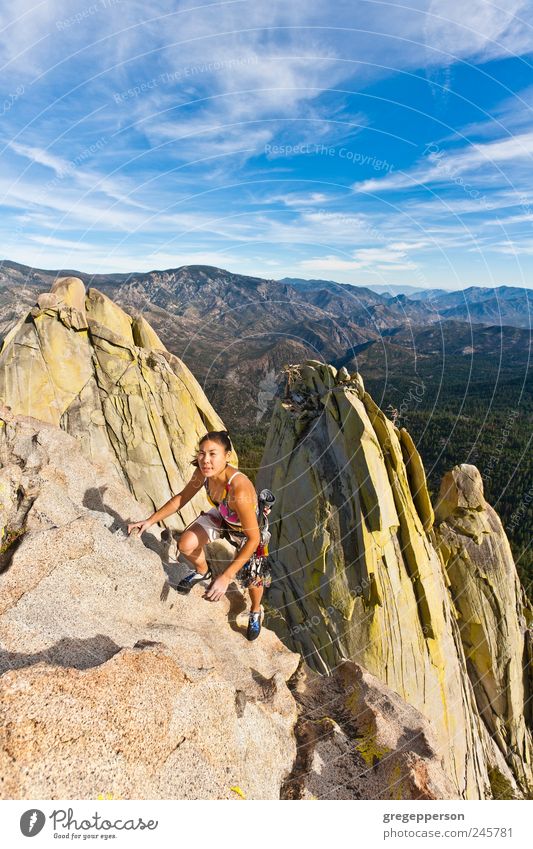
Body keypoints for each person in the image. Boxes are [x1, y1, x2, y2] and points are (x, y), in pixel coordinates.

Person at [127, 430, 265, 641]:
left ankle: (255, 611)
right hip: (223, 515)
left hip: (247, 530)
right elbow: (181, 498)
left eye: (212, 454)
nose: (205, 460)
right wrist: (150, 521)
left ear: (227, 456)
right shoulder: (203, 474)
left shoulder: (240, 489)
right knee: (185, 544)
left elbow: (253, 538)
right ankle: (203, 571)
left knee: (253, 579)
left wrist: (226, 577)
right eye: (202, 453)